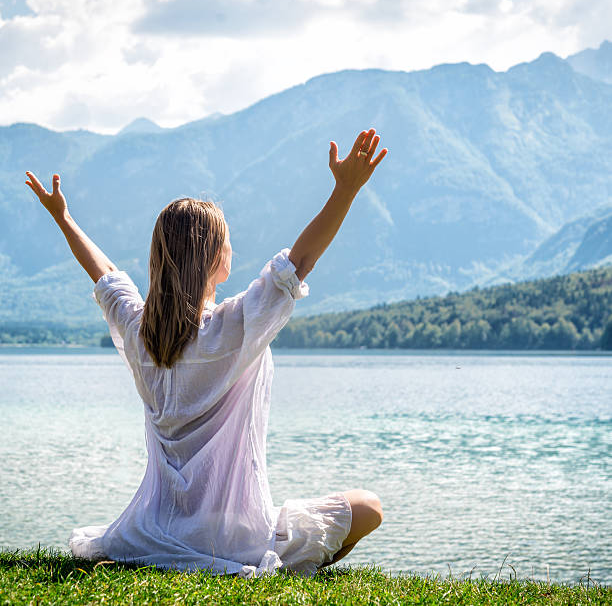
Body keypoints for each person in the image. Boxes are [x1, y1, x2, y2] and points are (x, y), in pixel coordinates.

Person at [25, 128, 388, 578]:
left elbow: (105, 277)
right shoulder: (233, 328)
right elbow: (299, 262)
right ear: (217, 256)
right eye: (229, 241)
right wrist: (346, 190)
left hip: (150, 528)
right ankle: (286, 565)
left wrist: (63, 218)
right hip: (236, 538)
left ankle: (162, 557)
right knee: (368, 507)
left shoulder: (142, 333)